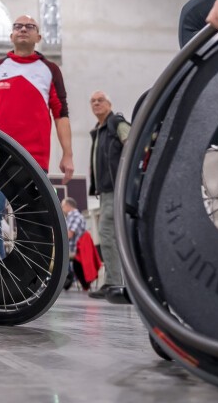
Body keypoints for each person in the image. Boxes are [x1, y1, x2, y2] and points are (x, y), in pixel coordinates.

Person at [0, 16, 73, 184]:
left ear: (38, 37)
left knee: (31, 210)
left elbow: (61, 114)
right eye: (18, 26)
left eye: (29, 26)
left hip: (34, 157)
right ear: (11, 36)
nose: (23, 29)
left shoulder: (51, 69)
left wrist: (68, 155)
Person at [87, 91, 130, 299]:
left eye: (100, 100)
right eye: (93, 101)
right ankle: (114, 281)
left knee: (106, 231)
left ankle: (116, 282)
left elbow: (132, 144)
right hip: (105, 191)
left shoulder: (116, 123)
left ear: (109, 103)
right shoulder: (100, 130)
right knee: (109, 234)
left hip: (116, 189)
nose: (96, 103)